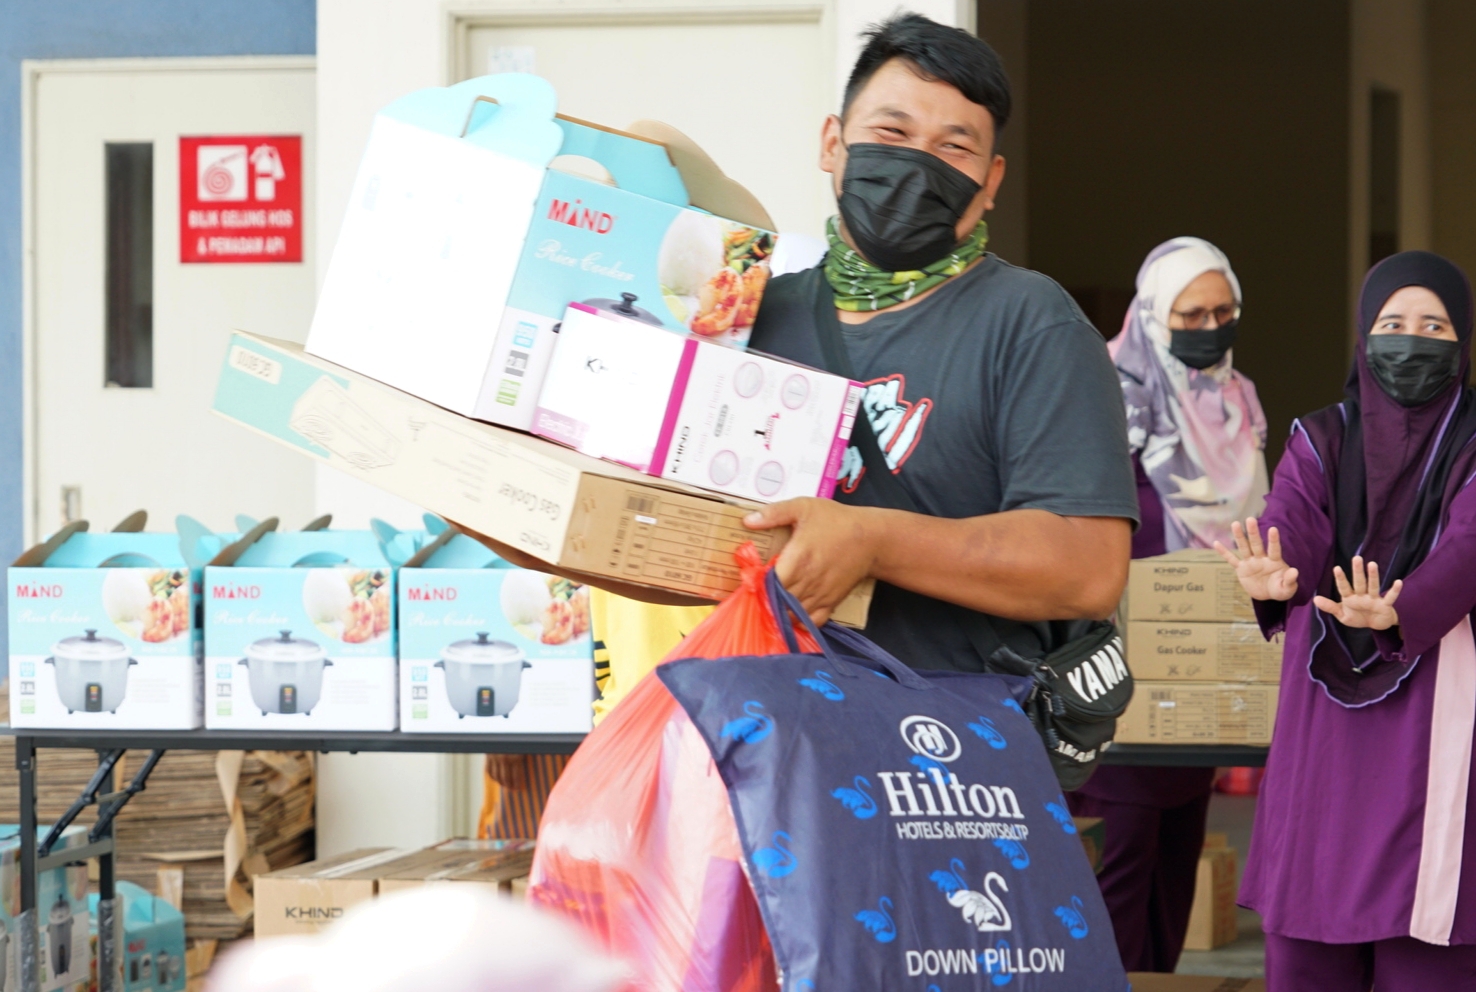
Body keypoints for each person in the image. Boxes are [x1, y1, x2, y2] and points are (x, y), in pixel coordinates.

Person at [739, 12, 1138, 672]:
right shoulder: (753, 315)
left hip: (959, 730)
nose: (917, 166)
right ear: (832, 143)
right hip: (769, 716)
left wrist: (871, 539)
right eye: (891, 133)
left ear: (991, 181)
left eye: (954, 148)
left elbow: (1088, 570)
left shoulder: (1030, 324)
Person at [1217, 250, 1476, 990]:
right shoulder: (1321, 435)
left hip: (1439, 702)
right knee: (1314, 903)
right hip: (1325, 725)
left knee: (1425, 927)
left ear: (1462, 341)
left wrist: (1402, 607)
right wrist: (1278, 573)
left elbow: (1470, 544)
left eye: (1434, 326)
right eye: (1393, 324)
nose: (1411, 340)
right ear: (1364, 336)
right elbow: (1292, 517)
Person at [1069, 237, 1268, 973]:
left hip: (1203, 668)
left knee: (1174, 874)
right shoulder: (1100, 400)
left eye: (1223, 311)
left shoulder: (1237, 401)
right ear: (1153, 315)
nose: (1209, 327)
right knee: (1119, 872)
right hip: (1118, 675)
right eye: (1191, 314)